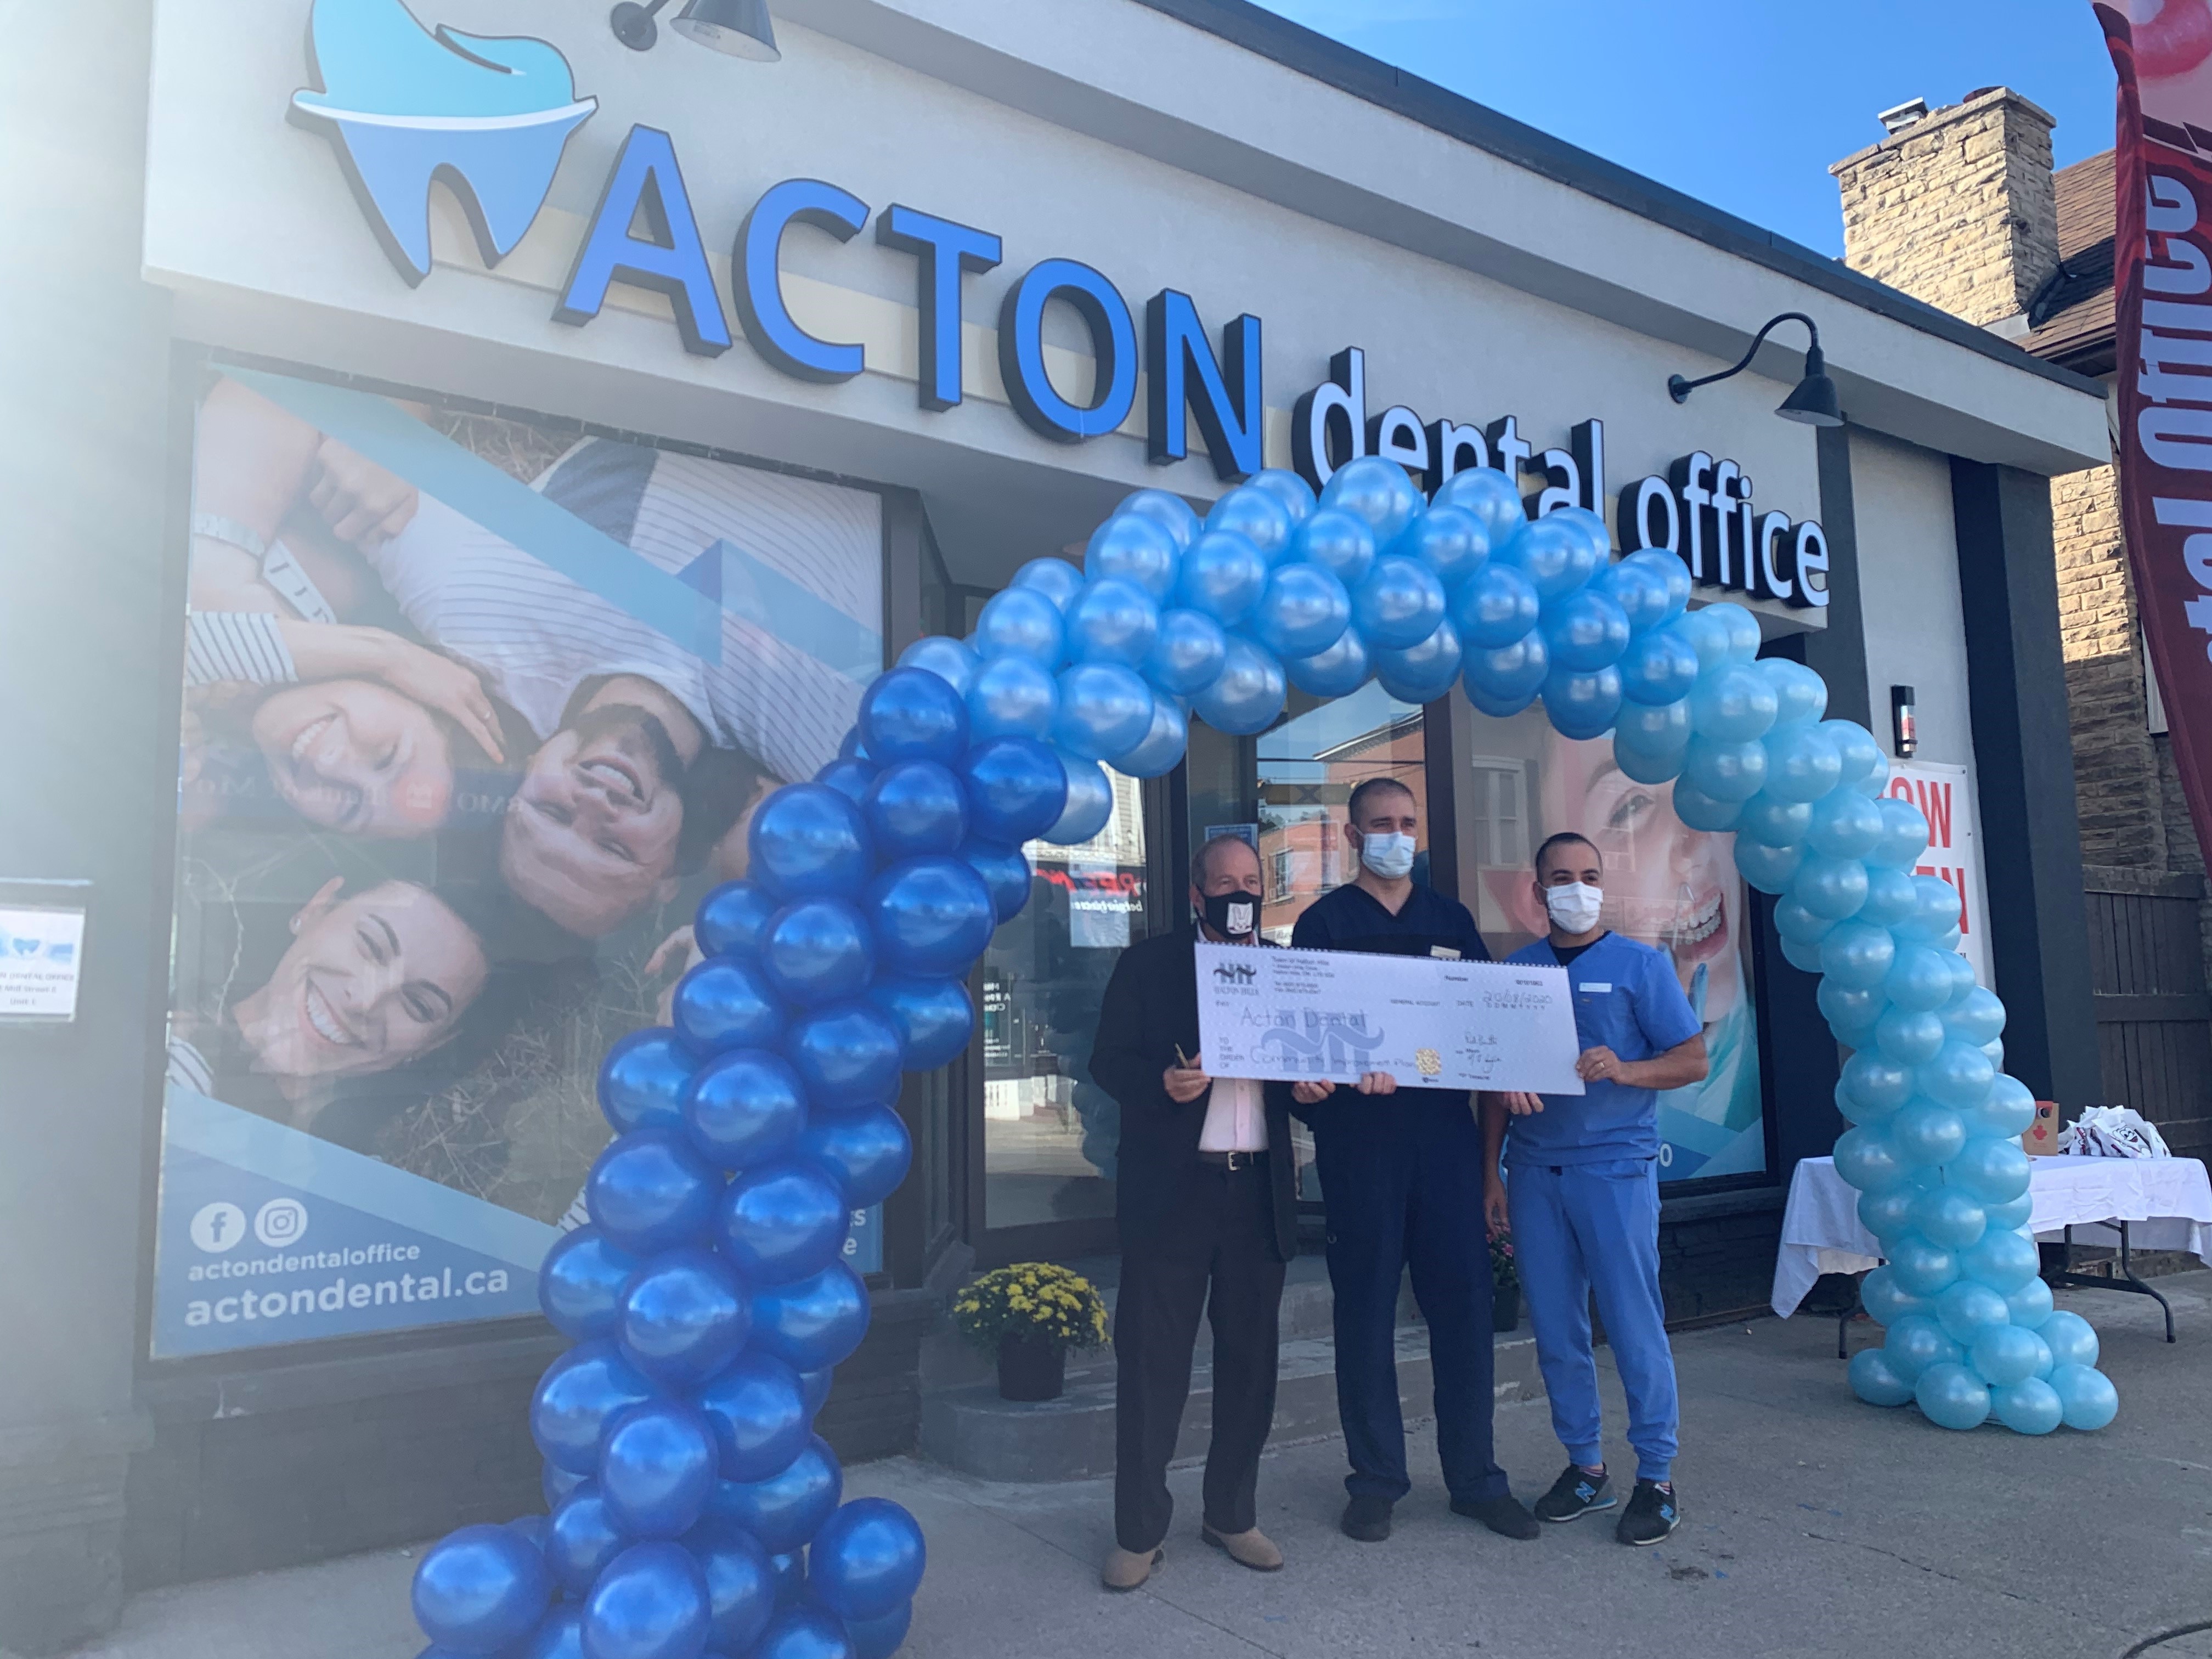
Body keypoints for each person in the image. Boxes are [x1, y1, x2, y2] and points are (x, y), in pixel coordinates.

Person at [1273, 776, 1536, 1545]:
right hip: (1360, 1149)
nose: (1398, 834)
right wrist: (1320, 1084)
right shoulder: (1322, 925)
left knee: (1463, 1312)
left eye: (1407, 822)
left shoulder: (1450, 920)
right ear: (1351, 838)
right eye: (1381, 824)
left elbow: (1486, 1024)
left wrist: (1515, 1067)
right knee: (1363, 1313)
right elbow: (1302, 1047)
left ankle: (1476, 1479)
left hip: (1445, 1147)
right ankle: (1377, 1479)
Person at [1483, 831, 1709, 1548]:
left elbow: (1691, 1058)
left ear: (1601, 883)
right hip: (1535, 1175)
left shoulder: (1641, 966)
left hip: (1613, 1171)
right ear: (1538, 888)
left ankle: (1658, 1478)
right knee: (1556, 1332)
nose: (1575, 887)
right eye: (1561, 876)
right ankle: (1586, 1466)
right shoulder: (1515, 971)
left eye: (1587, 875)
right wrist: (1489, 1169)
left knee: (1634, 1325)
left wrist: (1625, 1070)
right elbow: (1494, 1081)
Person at [1088, 833, 1297, 1591]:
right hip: (1173, 1192)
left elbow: (1310, 1066)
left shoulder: (1285, 969)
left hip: (1257, 1190)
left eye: (1252, 881)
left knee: (1251, 1364)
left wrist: (1312, 1088)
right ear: (1197, 892)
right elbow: (1106, 1060)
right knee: (1152, 1365)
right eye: (1225, 882)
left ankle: (1230, 1514)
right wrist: (1163, 1084)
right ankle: (1140, 1531)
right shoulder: (1149, 963)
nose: (1239, 893)